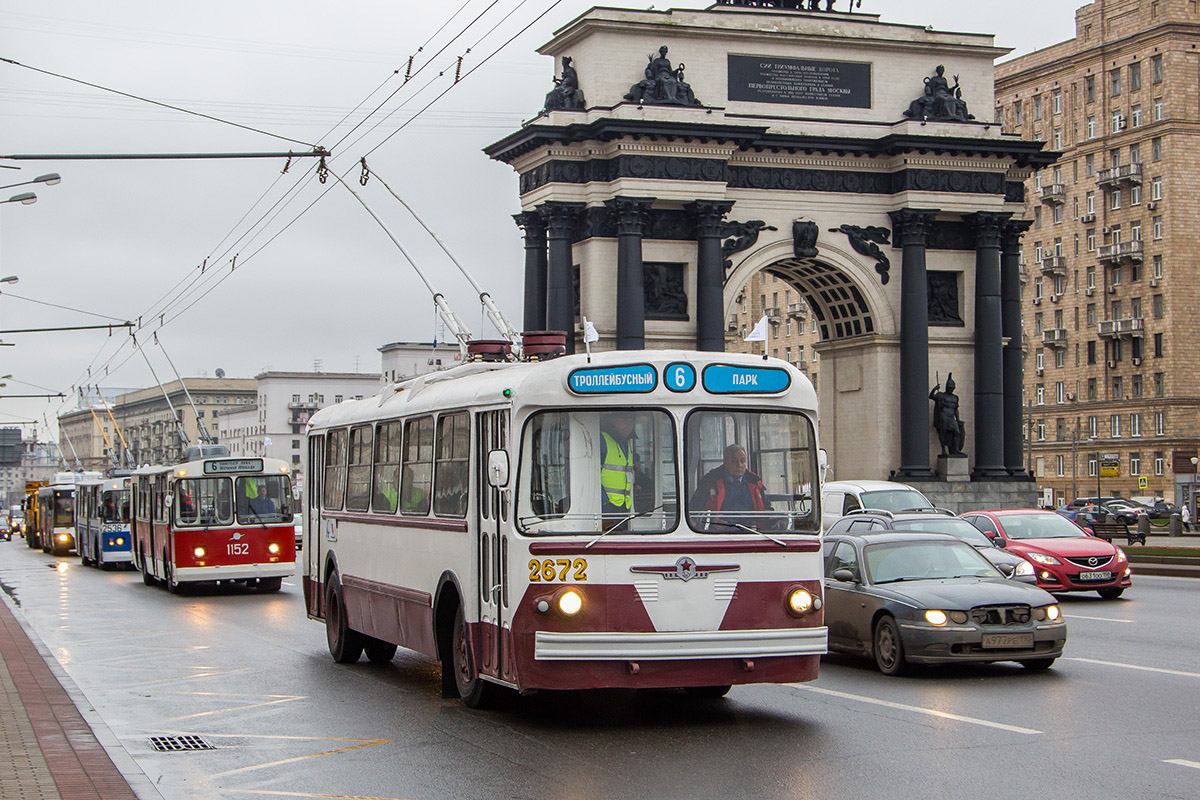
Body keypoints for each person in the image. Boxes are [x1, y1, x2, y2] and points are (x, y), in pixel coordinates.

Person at [691, 444, 769, 528]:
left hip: (752, 531)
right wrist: (711, 521)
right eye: (734, 461)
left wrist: (773, 519)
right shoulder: (710, 481)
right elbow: (693, 511)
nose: (739, 465)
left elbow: (766, 508)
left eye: (742, 461)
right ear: (725, 462)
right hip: (719, 533)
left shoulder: (754, 482)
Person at [600, 412, 637, 525]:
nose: (628, 425)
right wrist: (603, 501)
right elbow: (588, 474)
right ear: (612, 421)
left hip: (624, 506)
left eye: (631, 421)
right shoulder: (602, 440)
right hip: (606, 508)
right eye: (623, 420)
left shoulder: (627, 443)